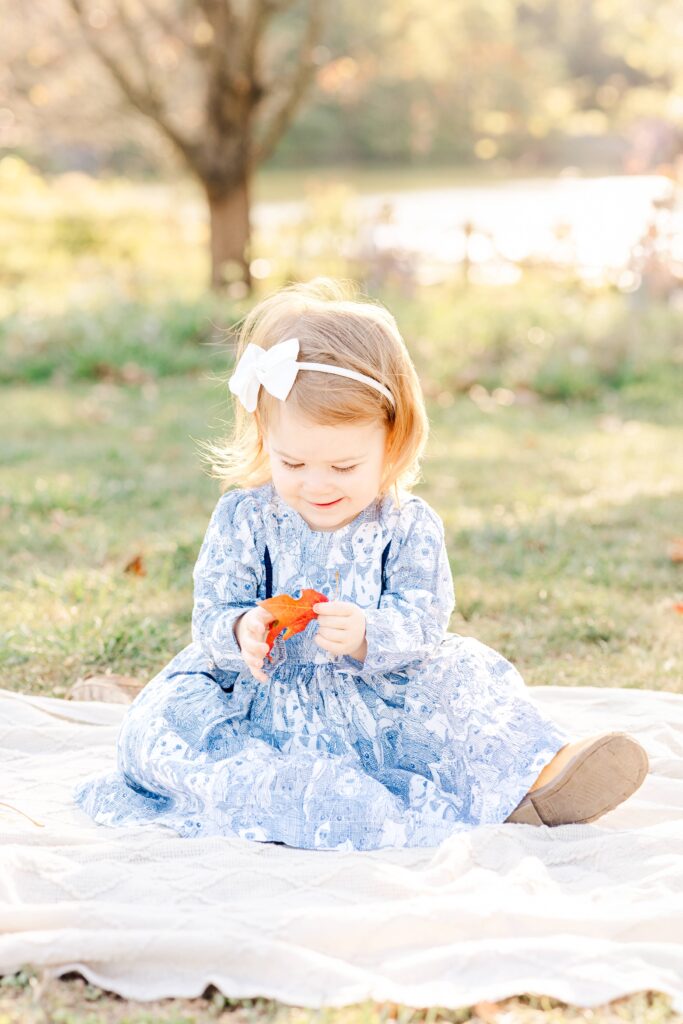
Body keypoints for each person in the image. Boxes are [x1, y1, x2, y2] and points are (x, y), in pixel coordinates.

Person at [72, 278, 649, 851]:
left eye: (343, 467)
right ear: (264, 439)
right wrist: (241, 628)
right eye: (291, 461)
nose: (315, 484)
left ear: (392, 441)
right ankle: (300, 798)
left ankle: (540, 777)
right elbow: (214, 607)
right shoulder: (246, 518)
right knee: (167, 729)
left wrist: (371, 632)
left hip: (379, 693)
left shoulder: (404, 524)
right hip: (267, 698)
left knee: (470, 688)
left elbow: (424, 617)